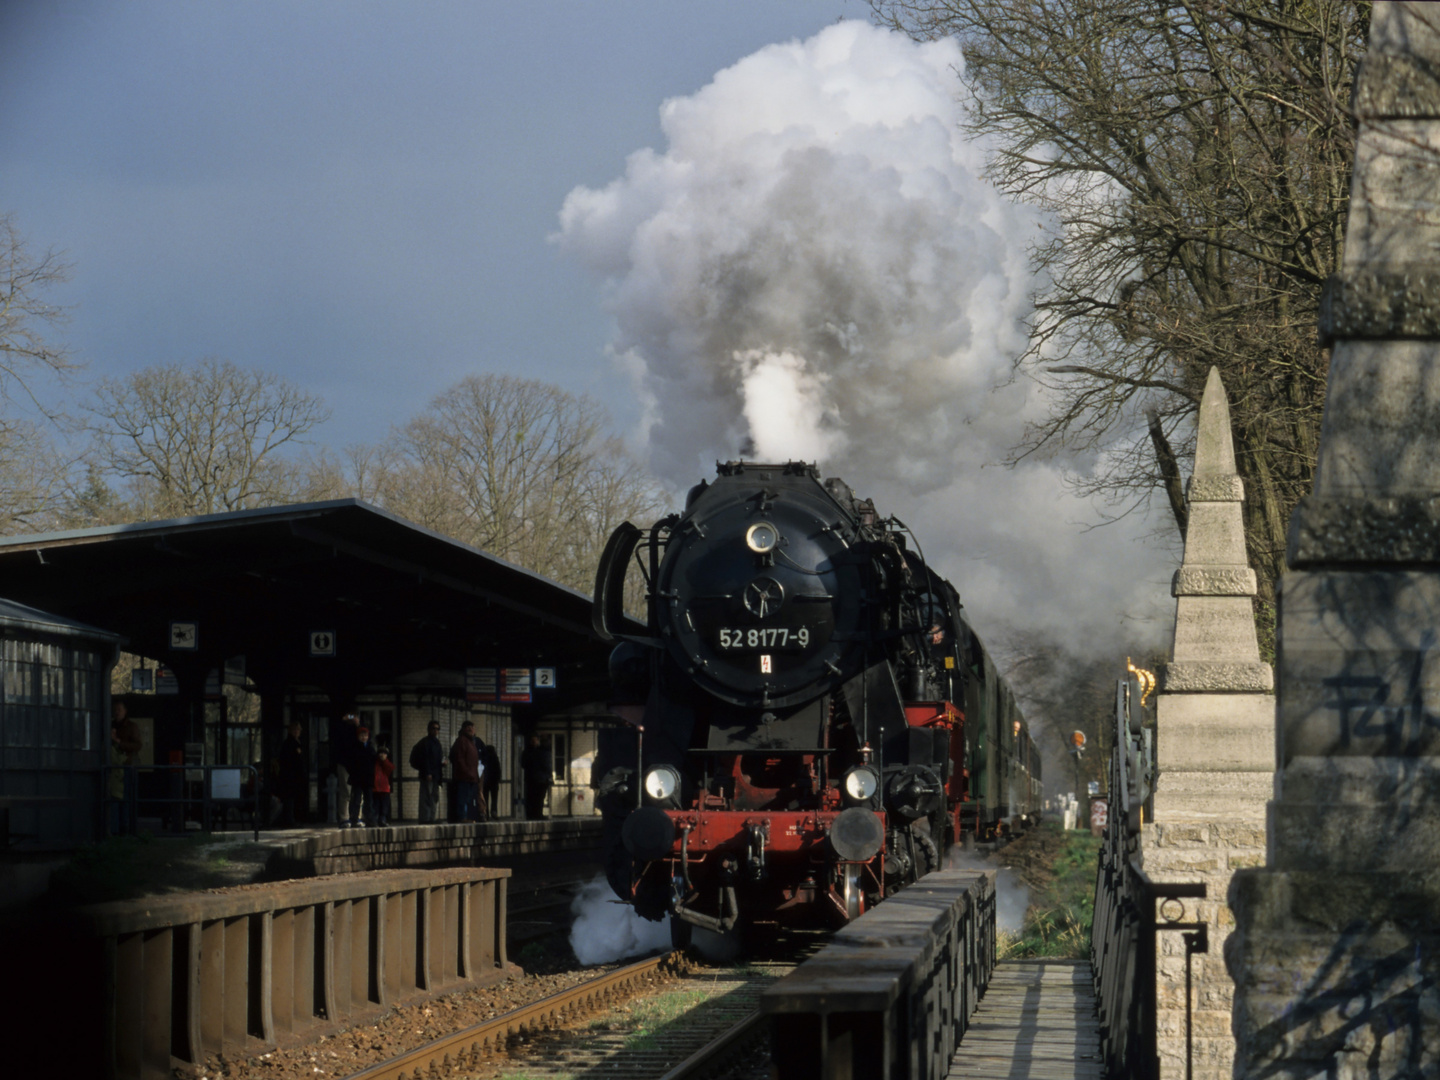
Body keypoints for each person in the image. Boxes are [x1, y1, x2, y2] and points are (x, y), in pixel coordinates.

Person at [109, 701, 142, 834]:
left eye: (119, 709)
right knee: (115, 798)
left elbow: (137, 746)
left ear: (125, 711)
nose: (117, 712)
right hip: (114, 767)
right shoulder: (111, 725)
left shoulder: (131, 727)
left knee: (125, 798)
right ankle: (118, 829)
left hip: (126, 766)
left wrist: (119, 742)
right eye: (115, 709)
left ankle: (125, 828)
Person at [410, 720, 445, 824]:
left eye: (437, 729)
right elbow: (424, 759)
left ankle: (431, 818)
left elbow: (436, 759)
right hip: (428, 774)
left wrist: (442, 764)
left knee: (434, 797)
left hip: (436, 775)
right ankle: (425, 818)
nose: (435, 731)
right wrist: (427, 772)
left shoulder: (437, 743)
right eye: (433, 728)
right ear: (429, 729)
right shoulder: (425, 743)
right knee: (426, 796)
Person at [275, 720, 306, 827]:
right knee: (289, 799)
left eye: (298, 730)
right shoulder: (288, 743)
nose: (296, 732)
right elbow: (288, 760)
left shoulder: (299, 742)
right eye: (294, 730)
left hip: (295, 776)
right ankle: (289, 821)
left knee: (293, 799)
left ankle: (293, 819)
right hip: (289, 776)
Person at [332, 712, 360, 827]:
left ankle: (357, 816)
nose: (351, 719)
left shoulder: (357, 731)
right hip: (344, 763)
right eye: (349, 716)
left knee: (358, 792)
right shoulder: (340, 729)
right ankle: (344, 817)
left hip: (356, 764)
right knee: (346, 791)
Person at [450, 720, 480, 822]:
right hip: (464, 777)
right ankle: (462, 817)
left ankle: (465, 816)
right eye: (468, 728)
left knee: (468, 798)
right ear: (464, 729)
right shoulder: (462, 741)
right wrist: (467, 772)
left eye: (472, 728)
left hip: (471, 777)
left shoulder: (471, 742)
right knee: (463, 798)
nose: (471, 730)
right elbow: (460, 759)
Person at [347, 725, 376, 827]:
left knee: (369, 801)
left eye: (365, 735)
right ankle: (354, 819)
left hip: (368, 778)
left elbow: (374, 763)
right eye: (361, 735)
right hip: (357, 778)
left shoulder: (371, 748)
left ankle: (369, 819)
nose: (364, 737)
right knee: (356, 800)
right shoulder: (354, 748)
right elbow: (350, 763)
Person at [521, 734, 553, 820]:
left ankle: (531, 815)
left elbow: (523, 764)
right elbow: (547, 766)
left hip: (531, 778)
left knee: (532, 797)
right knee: (538, 798)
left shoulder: (527, 752)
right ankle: (537, 814)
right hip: (541, 779)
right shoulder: (543, 752)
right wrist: (549, 776)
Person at [479, 738, 502, 821]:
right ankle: (494, 811)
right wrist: (498, 779)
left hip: (486, 782)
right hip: (494, 782)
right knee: (494, 798)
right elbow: (498, 770)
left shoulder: (484, 759)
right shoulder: (495, 758)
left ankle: (486, 813)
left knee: (485, 798)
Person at [373, 746, 394, 827]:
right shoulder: (375, 764)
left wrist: (384, 761)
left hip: (385, 789)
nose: (382, 755)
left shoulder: (387, 763)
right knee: (376, 805)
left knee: (384, 806)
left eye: (384, 753)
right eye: (381, 753)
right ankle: (375, 819)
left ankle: (383, 819)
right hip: (376, 788)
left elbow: (390, 769)